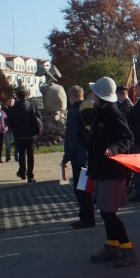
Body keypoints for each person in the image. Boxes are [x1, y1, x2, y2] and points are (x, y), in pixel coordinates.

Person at [87, 76, 136, 268]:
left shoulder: (113, 113)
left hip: (113, 172)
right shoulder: (100, 111)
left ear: (100, 95)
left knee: (109, 212)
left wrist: (113, 149)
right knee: (105, 212)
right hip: (101, 170)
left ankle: (128, 248)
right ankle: (112, 245)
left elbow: (128, 137)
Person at [61, 85, 95, 229]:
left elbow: (71, 137)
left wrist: (66, 157)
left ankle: (86, 218)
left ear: (71, 96)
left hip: (78, 156)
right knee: (86, 187)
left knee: (80, 189)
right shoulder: (90, 109)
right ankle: (88, 216)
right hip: (90, 153)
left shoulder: (74, 112)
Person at [8, 88, 41, 183]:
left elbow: (10, 123)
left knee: (21, 155)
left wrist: (15, 128)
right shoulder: (32, 106)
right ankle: (30, 176)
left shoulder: (13, 108)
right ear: (26, 95)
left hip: (19, 135)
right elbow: (38, 117)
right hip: (31, 134)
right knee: (30, 156)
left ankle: (22, 172)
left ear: (17, 96)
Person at [3, 97, 18, 163]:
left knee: (17, 143)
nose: (11, 102)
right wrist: (5, 126)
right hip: (7, 128)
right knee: (7, 144)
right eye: (10, 101)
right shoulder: (4, 109)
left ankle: (17, 157)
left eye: (12, 101)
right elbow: (3, 119)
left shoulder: (17, 109)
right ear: (7, 102)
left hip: (15, 128)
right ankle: (8, 157)